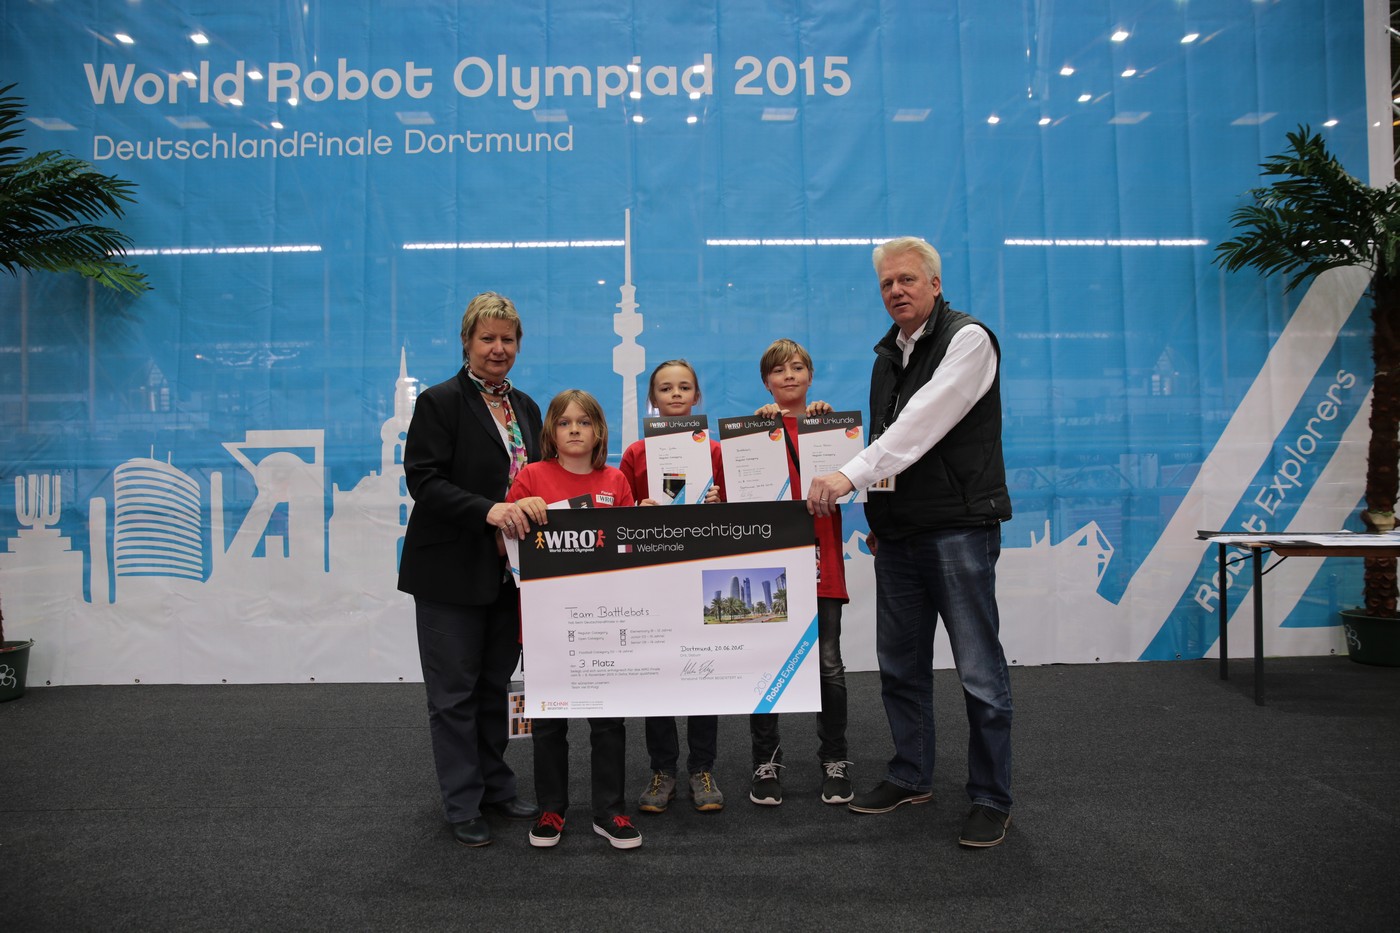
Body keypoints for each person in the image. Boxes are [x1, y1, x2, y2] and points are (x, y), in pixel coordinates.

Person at [806, 237, 1015, 849]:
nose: (896, 290)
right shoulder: (887, 355)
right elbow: (888, 438)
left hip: (957, 529)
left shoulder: (968, 340)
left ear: (935, 284)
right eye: (886, 284)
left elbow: (922, 424)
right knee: (900, 668)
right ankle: (910, 774)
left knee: (979, 674)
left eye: (907, 280)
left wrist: (847, 477)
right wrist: (881, 509)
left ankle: (990, 797)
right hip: (898, 535)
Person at [397, 291, 544, 849]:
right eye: (488, 338)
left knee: (495, 688)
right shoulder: (439, 402)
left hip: (511, 575)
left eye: (508, 339)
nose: (498, 348)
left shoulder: (526, 407)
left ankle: (495, 786)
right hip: (450, 572)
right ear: (467, 342)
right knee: (453, 695)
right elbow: (425, 481)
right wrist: (489, 511)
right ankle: (462, 802)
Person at [510, 389, 644, 850]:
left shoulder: (616, 480)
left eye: (583, 422)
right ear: (550, 432)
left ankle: (610, 811)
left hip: (604, 621)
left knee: (608, 723)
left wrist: (645, 523)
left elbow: (632, 552)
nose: (573, 430)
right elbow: (504, 547)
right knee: (550, 723)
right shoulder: (531, 477)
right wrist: (516, 515)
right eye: (564, 422)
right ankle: (551, 809)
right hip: (545, 625)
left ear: (599, 432)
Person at [747, 339, 853, 807]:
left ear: (810, 375)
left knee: (828, 664)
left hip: (821, 559)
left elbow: (858, 481)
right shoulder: (753, 432)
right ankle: (765, 761)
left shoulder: (829, 426)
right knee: (766, 665)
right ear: (766, 382)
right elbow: (732, 493)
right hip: (768, 563)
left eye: (797, 367)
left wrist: (826, 426)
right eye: (778, 370)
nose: (788, 376)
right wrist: (758, 429)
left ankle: (835, 759)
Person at [619, 360, 727, 815]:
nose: (676, 394)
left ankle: (703, 768)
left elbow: (739, 514)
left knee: (704, 670)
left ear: (697, 396)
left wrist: (719, 501)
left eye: (684, 387)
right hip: (655, 575)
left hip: (702, 571)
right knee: (659, 672)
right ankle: (662, 769)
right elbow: (621, 511)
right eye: (666, 388)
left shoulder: (716, 450)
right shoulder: (635, 453)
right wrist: (638, 509)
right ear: (653, 399)